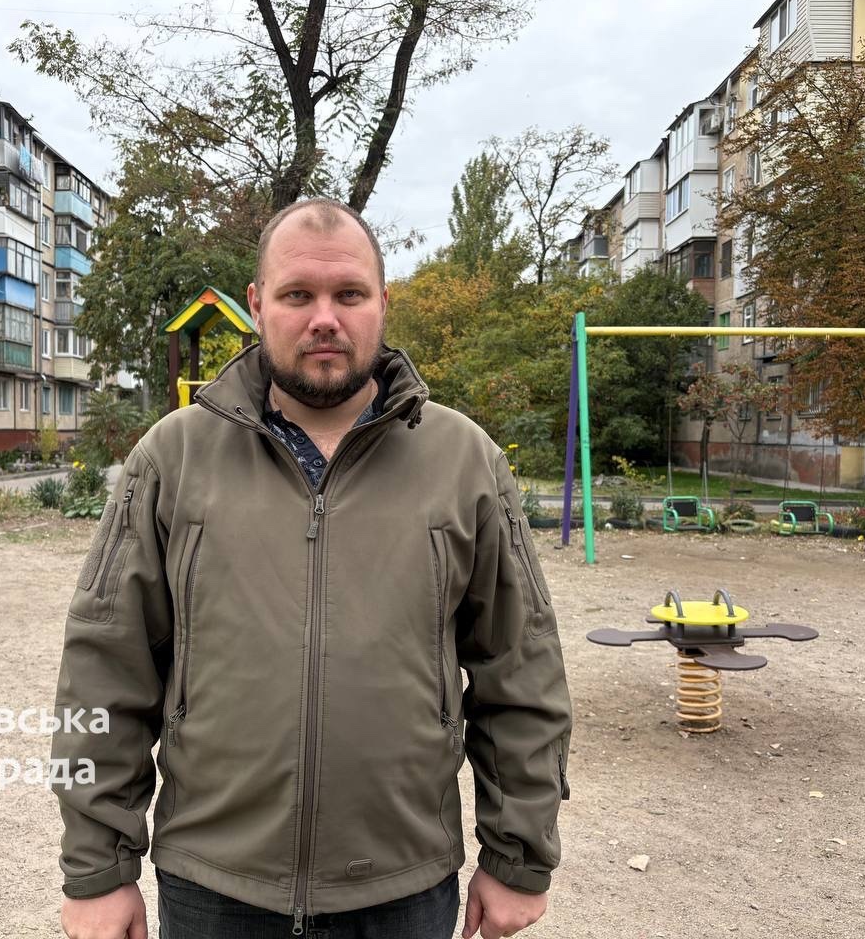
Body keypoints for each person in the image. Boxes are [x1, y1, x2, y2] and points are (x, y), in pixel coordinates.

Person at [51, 198, 572, 939]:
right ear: (259, 304)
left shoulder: (465, 462)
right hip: (214, 887)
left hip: (402, 887)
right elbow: (104, 667)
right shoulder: (171, 458)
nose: (324, 318)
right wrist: (97, 868)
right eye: (298, 295)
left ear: (382, 303)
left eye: (348, 294)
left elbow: (520, 667)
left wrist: (518, 856)